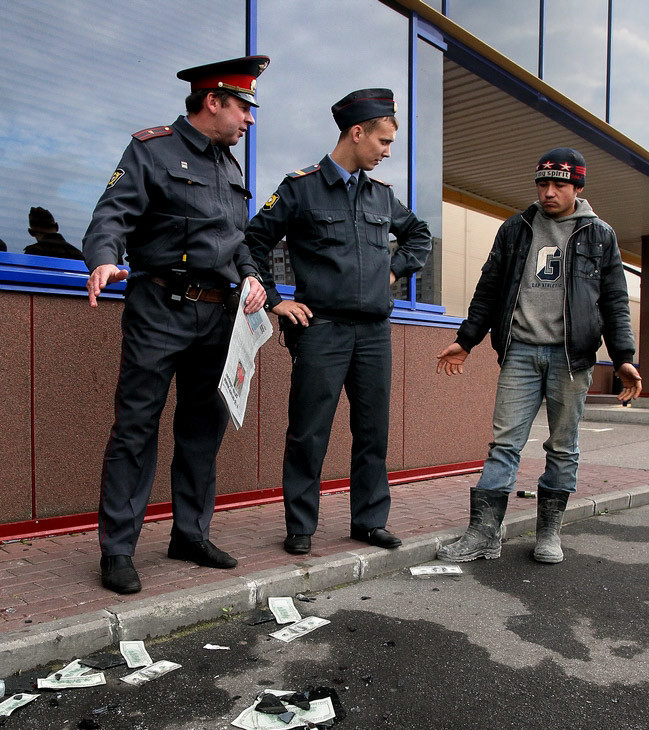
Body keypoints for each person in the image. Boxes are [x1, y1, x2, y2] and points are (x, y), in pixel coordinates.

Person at [83, 56, 269, 594]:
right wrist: (101, 257)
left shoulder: (229, 168)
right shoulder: (151, 149)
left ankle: (190, 533)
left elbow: (237, 245)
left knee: (201, 430)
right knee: (136, 427)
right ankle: (118, 549)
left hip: (217, 315)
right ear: (213, 101)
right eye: (244, 106)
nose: (250, 119)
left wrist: (253, 277)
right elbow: (111, 215)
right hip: (159, 308)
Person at [246, 89, 431, 556]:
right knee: (309, 431)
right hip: (321, 330)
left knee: (373, 431)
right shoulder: (300, 188)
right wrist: (273, 300)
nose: (387, 152)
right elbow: (253, 243)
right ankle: (301, 525)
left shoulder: (381, 196)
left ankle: (369, 522)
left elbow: (419, 235)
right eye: (383, 141)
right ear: (357, 132)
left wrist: (393, 271)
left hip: (373, 334)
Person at [436, 147, 642, 564]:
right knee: (504, 445)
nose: (549, 192)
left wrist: (623, 357)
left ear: (577, 187)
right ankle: (483, 535)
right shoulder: (517, 228)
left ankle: (549, 533)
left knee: (562, 447)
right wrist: (467, 339)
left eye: (559, 184)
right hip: (520, 353)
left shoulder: (599, 235)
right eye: (543, 183)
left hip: (573, 359)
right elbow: (489, 289)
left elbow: (615, 303)